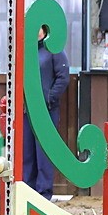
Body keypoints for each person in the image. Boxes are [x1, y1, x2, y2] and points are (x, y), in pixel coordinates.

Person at [23, 24, 70, 200]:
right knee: (27, 152)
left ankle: (43, 194)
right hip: (27, 109)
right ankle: (27, 191)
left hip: (46, 110)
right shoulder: (25, 49)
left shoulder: (53, 49)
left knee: (44, 153)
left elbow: (63, 76)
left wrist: (50, 98)